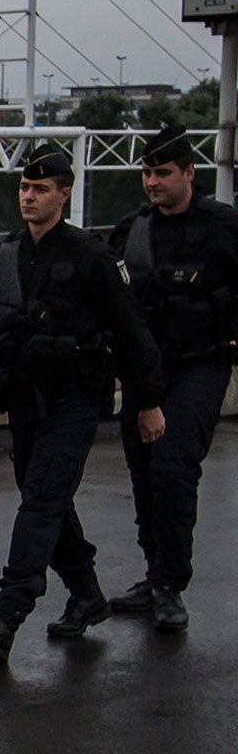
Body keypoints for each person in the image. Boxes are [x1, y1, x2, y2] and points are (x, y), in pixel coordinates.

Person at [0, 146, 164, 663]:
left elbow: (131, 330)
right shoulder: (4, 256)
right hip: (25, 399)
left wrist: (149, 402)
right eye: (24, 188)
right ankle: (87, 594)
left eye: (40, 189)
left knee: (41, 500)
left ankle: (8, 613)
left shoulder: (89, 257)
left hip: (75, 400)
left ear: (64, 193)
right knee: (44, 495)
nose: (29, 197)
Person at [107, 124, 238, 632]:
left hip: (202, 361)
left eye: (162, 172)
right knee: (143, 471)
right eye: (146, 172)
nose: (152, 182)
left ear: (189, 172)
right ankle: (154, 570)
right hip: (147, 365)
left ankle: (169, 584)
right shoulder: (132, 230)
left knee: (174, 466)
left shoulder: (224, 227)